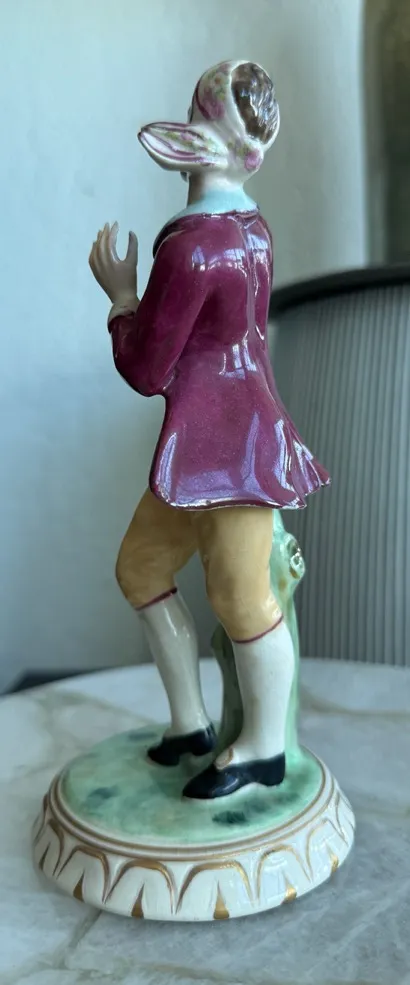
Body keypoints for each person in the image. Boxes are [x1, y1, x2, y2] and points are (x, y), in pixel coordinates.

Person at [89, 60, 330, 800]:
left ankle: (263, 749)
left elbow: (146, 367)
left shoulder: (193, 248)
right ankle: (189, 723)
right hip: (199, 453)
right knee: (141, 568)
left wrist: (121, 298)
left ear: (196, 141)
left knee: (243, 600)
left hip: (231, 454)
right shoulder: (250, 228)